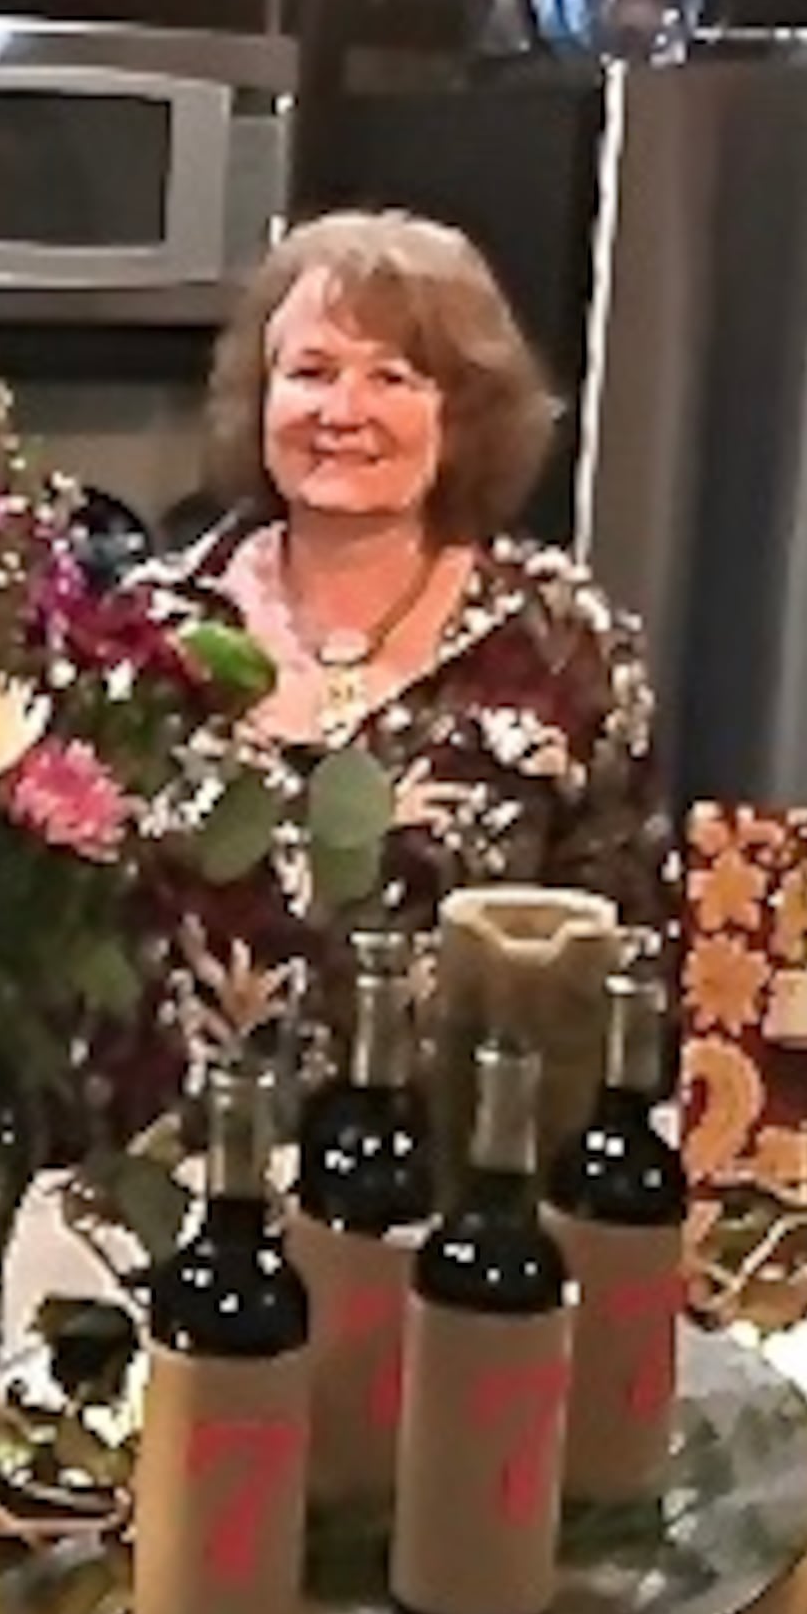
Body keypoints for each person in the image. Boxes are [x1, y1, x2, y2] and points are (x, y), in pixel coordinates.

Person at [153, 209, 671, 1031]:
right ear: (261, 396)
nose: (343, 410)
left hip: (465, 1149)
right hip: (181, 1151)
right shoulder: (148, 633)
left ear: (461, 417)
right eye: (312, 371)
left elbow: (628, 965)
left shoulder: (564, 643)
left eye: (393, 377)